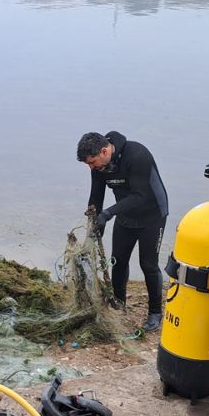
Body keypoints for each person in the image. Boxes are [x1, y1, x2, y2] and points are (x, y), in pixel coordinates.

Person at [77, 131, 169, 332]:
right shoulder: (99, 166)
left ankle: (155, 312)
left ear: (104, 151)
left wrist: (108, 214)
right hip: (125, 216)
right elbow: (96, 196)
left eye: (92, 162)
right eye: (88, 165)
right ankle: (119, 305)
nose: (91, 167)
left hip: (152, 215)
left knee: (149, 265)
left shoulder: (137, 155)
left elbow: (138, 195)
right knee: (117, 262)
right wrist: (94, 223)